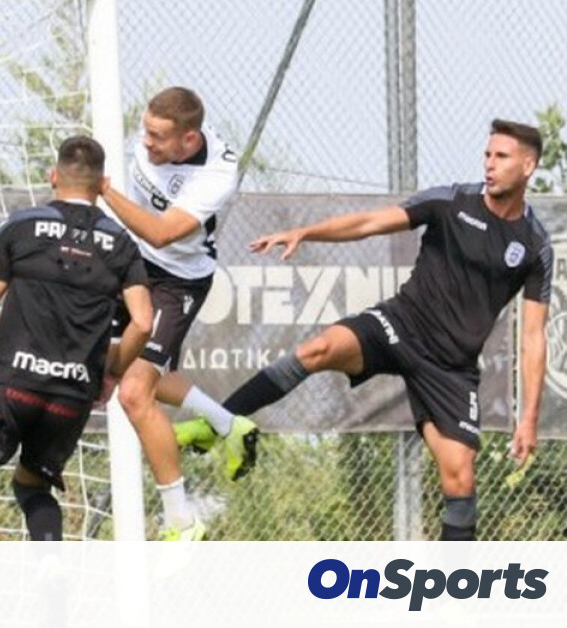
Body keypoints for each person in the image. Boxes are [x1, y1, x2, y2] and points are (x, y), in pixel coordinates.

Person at [223, 119, 551, 541]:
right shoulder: (451, 201)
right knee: (318, 349)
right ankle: (221, 419)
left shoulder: (535, 245)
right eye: (487, 154)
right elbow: (369, 223)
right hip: (399, 325)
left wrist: (528, 420)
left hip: (450, 368)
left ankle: (455, 583)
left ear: (527, 166)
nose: (489, 164)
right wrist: (306, 232)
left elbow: (533, 336)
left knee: (461, 481)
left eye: (501, 157)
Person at [0, 135, 152, 542]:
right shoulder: (122, 243)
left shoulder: (21, 226)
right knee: (32, 486)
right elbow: (143, 323)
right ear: (101, 185)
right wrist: (111, 373)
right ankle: (52, 567)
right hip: (71, 394)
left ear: (53, 176)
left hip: (12, 383)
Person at [101, 86, 257, 540]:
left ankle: (181, 521)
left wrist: (103, 190)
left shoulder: (216, 173)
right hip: (133, 264)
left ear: (188, 140)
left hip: (176, 282)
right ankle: (228, 425)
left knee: (134, 394)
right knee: (114, 362)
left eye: (157, 137)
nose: (145, 142)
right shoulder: (156, 135)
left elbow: (162, 233)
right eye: (144, 131)